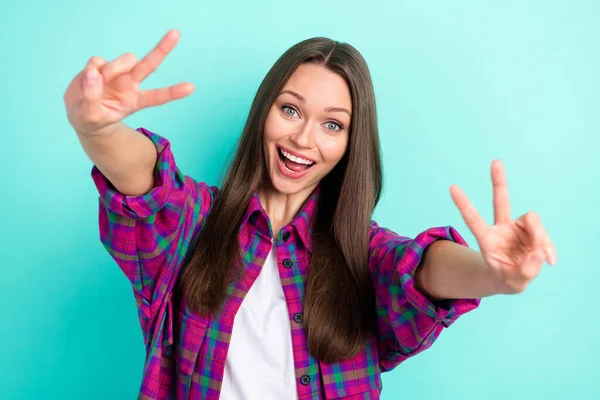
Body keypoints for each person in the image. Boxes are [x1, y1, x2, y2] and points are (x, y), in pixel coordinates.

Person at [63, 29, 557, 400]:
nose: (303, 140)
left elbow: (421, 270)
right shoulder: (195, 221)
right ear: (264, 111)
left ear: (349, 144)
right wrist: (97, 130)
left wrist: (494, 276)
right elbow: (147, 187)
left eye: (332, 125)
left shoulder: (361, 254)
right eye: (291, 110)